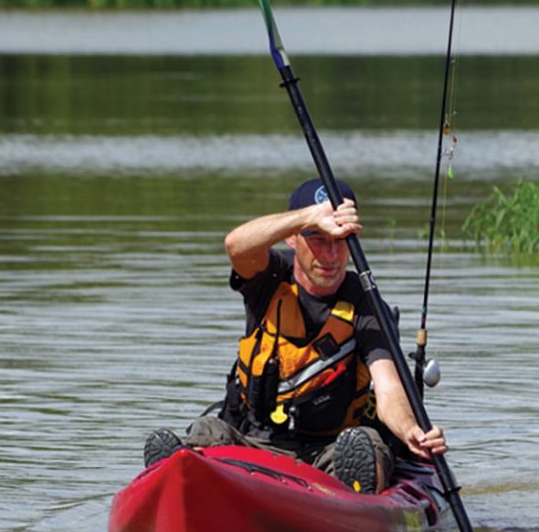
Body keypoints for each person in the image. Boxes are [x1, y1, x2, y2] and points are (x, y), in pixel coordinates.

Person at [143, 178, 447, 493]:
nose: (331, 255)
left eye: (340, 240)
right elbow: (235, 244)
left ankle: (350, 497)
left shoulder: (366, 305)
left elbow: (389, 390)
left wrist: (410, 430)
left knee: (366, 444)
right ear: (293, 237)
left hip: (331, 450)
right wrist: (311, 216)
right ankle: (178, 478)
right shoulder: (269, 278)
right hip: (254, 443)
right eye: (318, 239)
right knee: (208, 429)